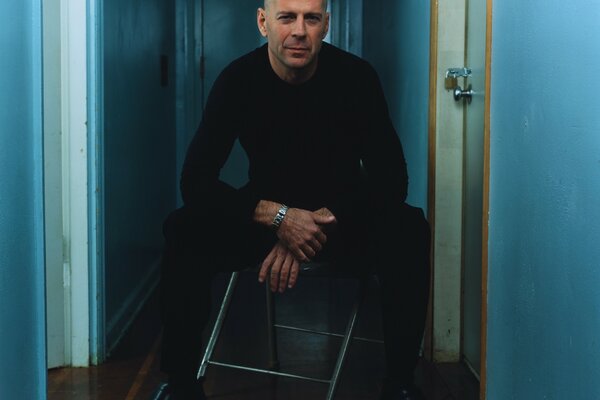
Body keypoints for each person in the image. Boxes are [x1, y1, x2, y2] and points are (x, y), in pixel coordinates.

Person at [159, 0, 430, 399]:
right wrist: (279, 218)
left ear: (326, 25)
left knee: (409, 229)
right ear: (263, 22)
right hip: (263, 219)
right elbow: (195, 181)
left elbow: (392, 179)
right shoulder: (238, 80)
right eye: (287, 17)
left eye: (311, 18)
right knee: (183, 228)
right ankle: (181, 384)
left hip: (338, 219)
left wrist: (312, 224)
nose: (299, 31)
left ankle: (400, 385)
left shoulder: (356, 77)